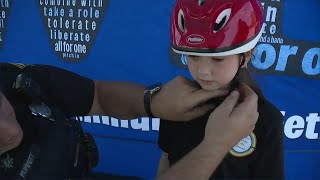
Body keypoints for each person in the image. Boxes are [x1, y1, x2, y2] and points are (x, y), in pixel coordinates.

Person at [0, 62, 256, 179]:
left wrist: (152, 102)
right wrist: (216, 145)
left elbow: (98, 96)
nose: (9, 130)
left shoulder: (11, 79)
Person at [157, 0, 285, 179]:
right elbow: (166, 161)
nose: (203, 71)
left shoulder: (267, 121)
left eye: (218, 59)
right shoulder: (173, 104)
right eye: (193, 56)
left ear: (246, 55)